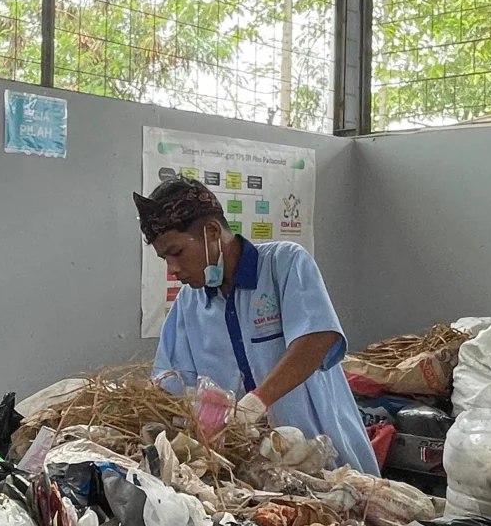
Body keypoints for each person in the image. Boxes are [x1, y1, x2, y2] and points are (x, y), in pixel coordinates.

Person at [137, 176, 379, 474]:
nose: (173, 269)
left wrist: (255, 403)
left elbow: (317, 339)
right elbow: (169, 387)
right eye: (164, 259)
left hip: (323, 456)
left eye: (177, 253)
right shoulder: (190, 304)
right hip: (256, 471)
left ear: (212, 232)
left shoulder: (284, 264)